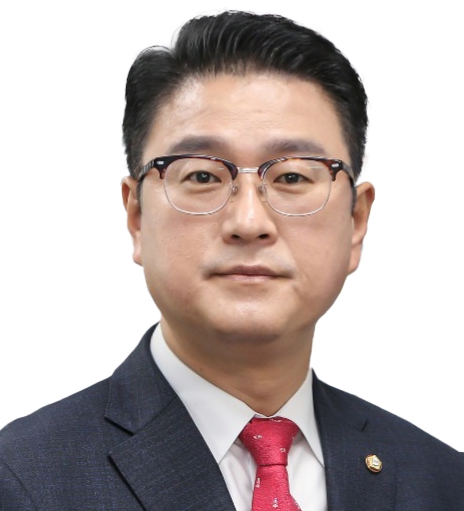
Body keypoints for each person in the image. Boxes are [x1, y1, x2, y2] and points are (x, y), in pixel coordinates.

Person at [0, 10, 462, 511]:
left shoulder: (441, 482)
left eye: (292, 177)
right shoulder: (22, 480)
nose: (248, 221)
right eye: (202, 176)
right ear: (136, 217)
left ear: (356, 221)